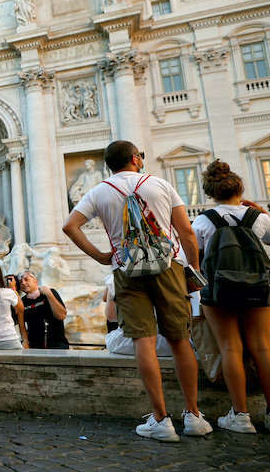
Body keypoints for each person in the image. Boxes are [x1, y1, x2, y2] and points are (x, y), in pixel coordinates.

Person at [63, 140, 210, 442]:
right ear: (135, 159)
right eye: (140, 157)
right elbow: (186, 232)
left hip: (126, 270)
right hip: (169, 267)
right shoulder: (159, 184)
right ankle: (193, 415)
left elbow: (70, 226)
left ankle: (161, 420)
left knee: (144, 341)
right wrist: (192, 269)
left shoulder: (99, 191)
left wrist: (102, 255)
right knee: (181, 339)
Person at [192, 159, 270, 434]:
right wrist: (261, 212)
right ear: (240, 189)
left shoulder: (202, 221)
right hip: (257, 286)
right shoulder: (259, 218)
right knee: (261, 347)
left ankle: (241, 416)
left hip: (219, 289)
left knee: (229, 349)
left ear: (211, 193)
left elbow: (195, 256)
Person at [18, 271, 69, 349]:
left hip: (57, 344)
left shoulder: (50, 292)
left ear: (36, 281)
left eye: (26, 279)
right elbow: (21, 325)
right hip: (35, 345)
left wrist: (49, 295)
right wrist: (25, 341)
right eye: (20, 282)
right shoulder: (22, 301)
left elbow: (61, 316)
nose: (23, 283)